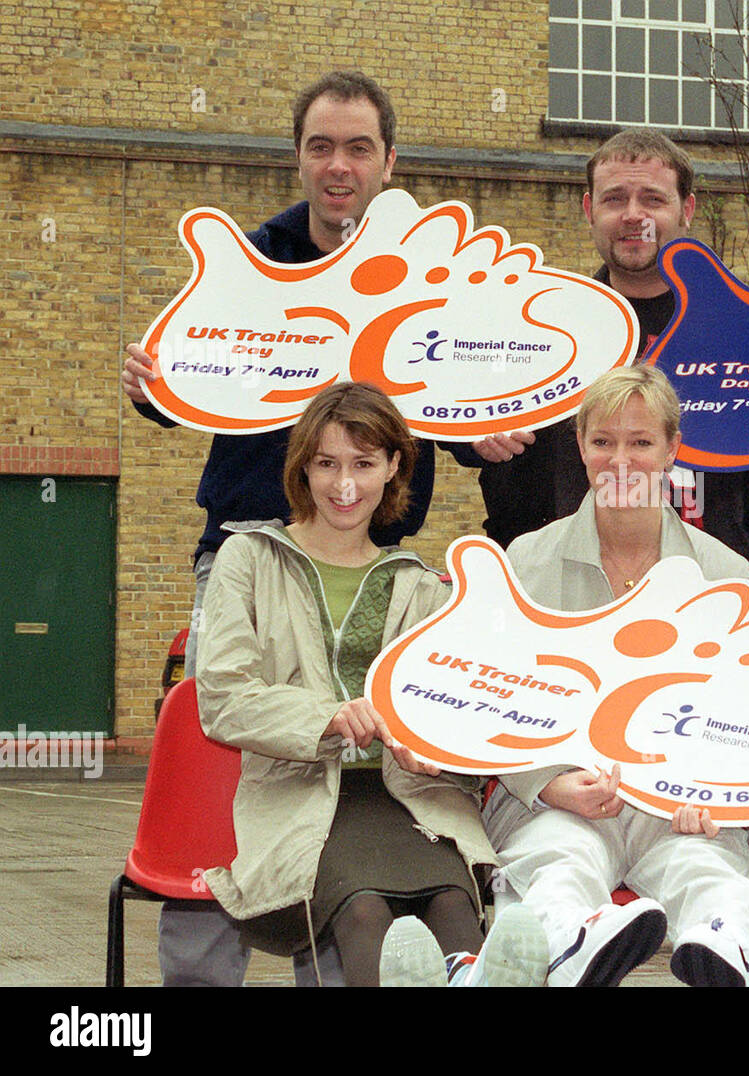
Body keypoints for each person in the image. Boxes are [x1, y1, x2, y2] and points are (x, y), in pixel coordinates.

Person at [119, 72, 491, 987]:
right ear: (298, 156)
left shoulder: (429, 275)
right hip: (250, 540)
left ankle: (337, 961)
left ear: (389, 160)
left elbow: (474, 404)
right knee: (223, 756)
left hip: (372, 555)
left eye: (359, 147)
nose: (338, 165)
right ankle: (200, 975)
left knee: (358, 777)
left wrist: (494, 431)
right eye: (321, 146)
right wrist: (154, 387)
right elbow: (193, 379)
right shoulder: (254, 259)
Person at [195, 381, 547, 987]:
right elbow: (223, 699)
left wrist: (437, 752)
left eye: (363, 464)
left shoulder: (421, 585)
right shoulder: (248, 558)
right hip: (302, 794)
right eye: (327, 464)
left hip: (410, 795)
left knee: (455, 908)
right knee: (365, 914)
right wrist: (325, 719)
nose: (344, 484)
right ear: (301, 467)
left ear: (394, 468)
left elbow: (453, 714)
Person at [481, 365, 749, 987]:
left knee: (708, 869)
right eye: (603, 441)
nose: (620, 459)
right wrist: (546, 783)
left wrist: (712, 790)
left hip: (683, 804)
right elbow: (491, 702)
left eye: (641, 442)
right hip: (561, 795)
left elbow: (744, 714)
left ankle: (723, 944)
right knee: (559, 863)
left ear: (672, 450)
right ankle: (571, 943)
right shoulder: (524, 562)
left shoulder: (729, 574)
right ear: (579, 446)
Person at [470, 130, 749, 568]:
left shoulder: (739, 332)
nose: (633, 215)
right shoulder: (536, 329)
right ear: (589, 209)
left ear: (687, 210)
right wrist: (475, 432)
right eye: (615, 199)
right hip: (560, 595)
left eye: (653, 200)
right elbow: (453, 419)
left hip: (708, 595)